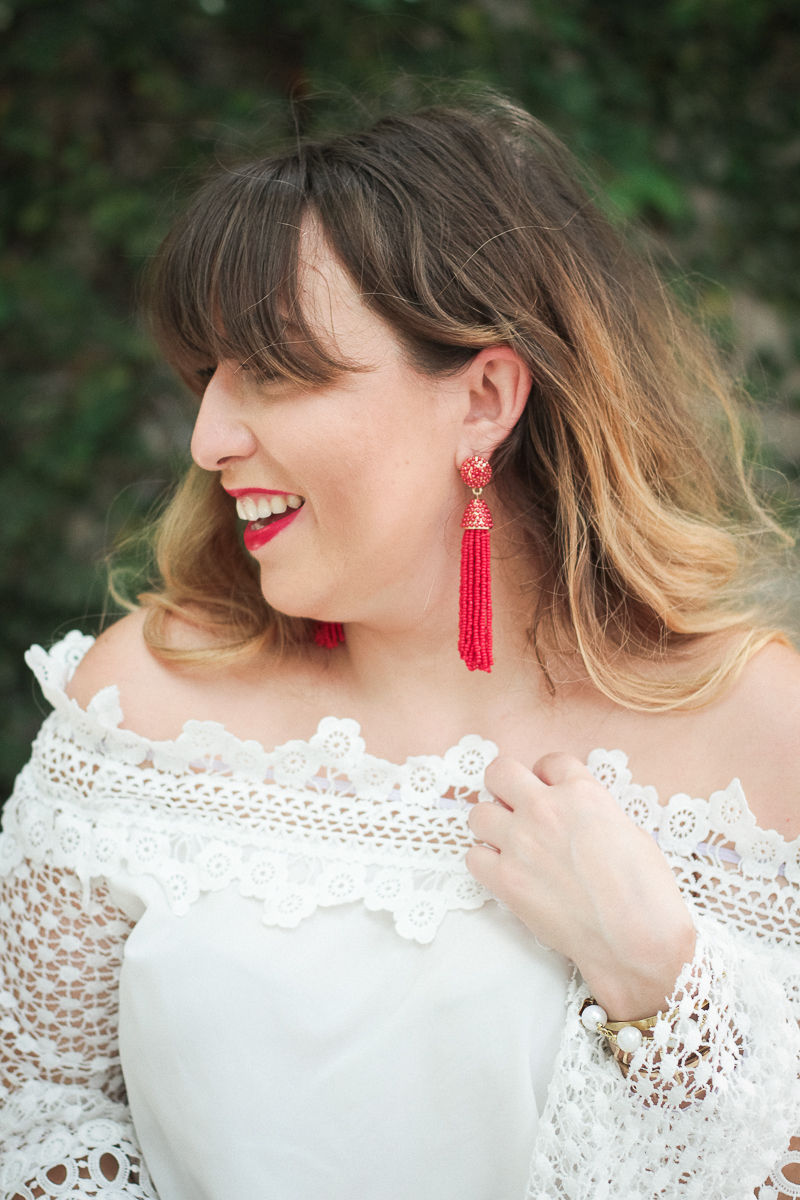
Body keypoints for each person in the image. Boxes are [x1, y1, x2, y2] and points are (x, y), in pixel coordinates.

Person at [1, 94, 799, 1200]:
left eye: (273, 370)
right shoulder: (140, 704)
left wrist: (659, 982)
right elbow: (40, 1117)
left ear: (481, 398)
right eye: (205, 377)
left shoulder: (759, 736)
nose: (208, 438)